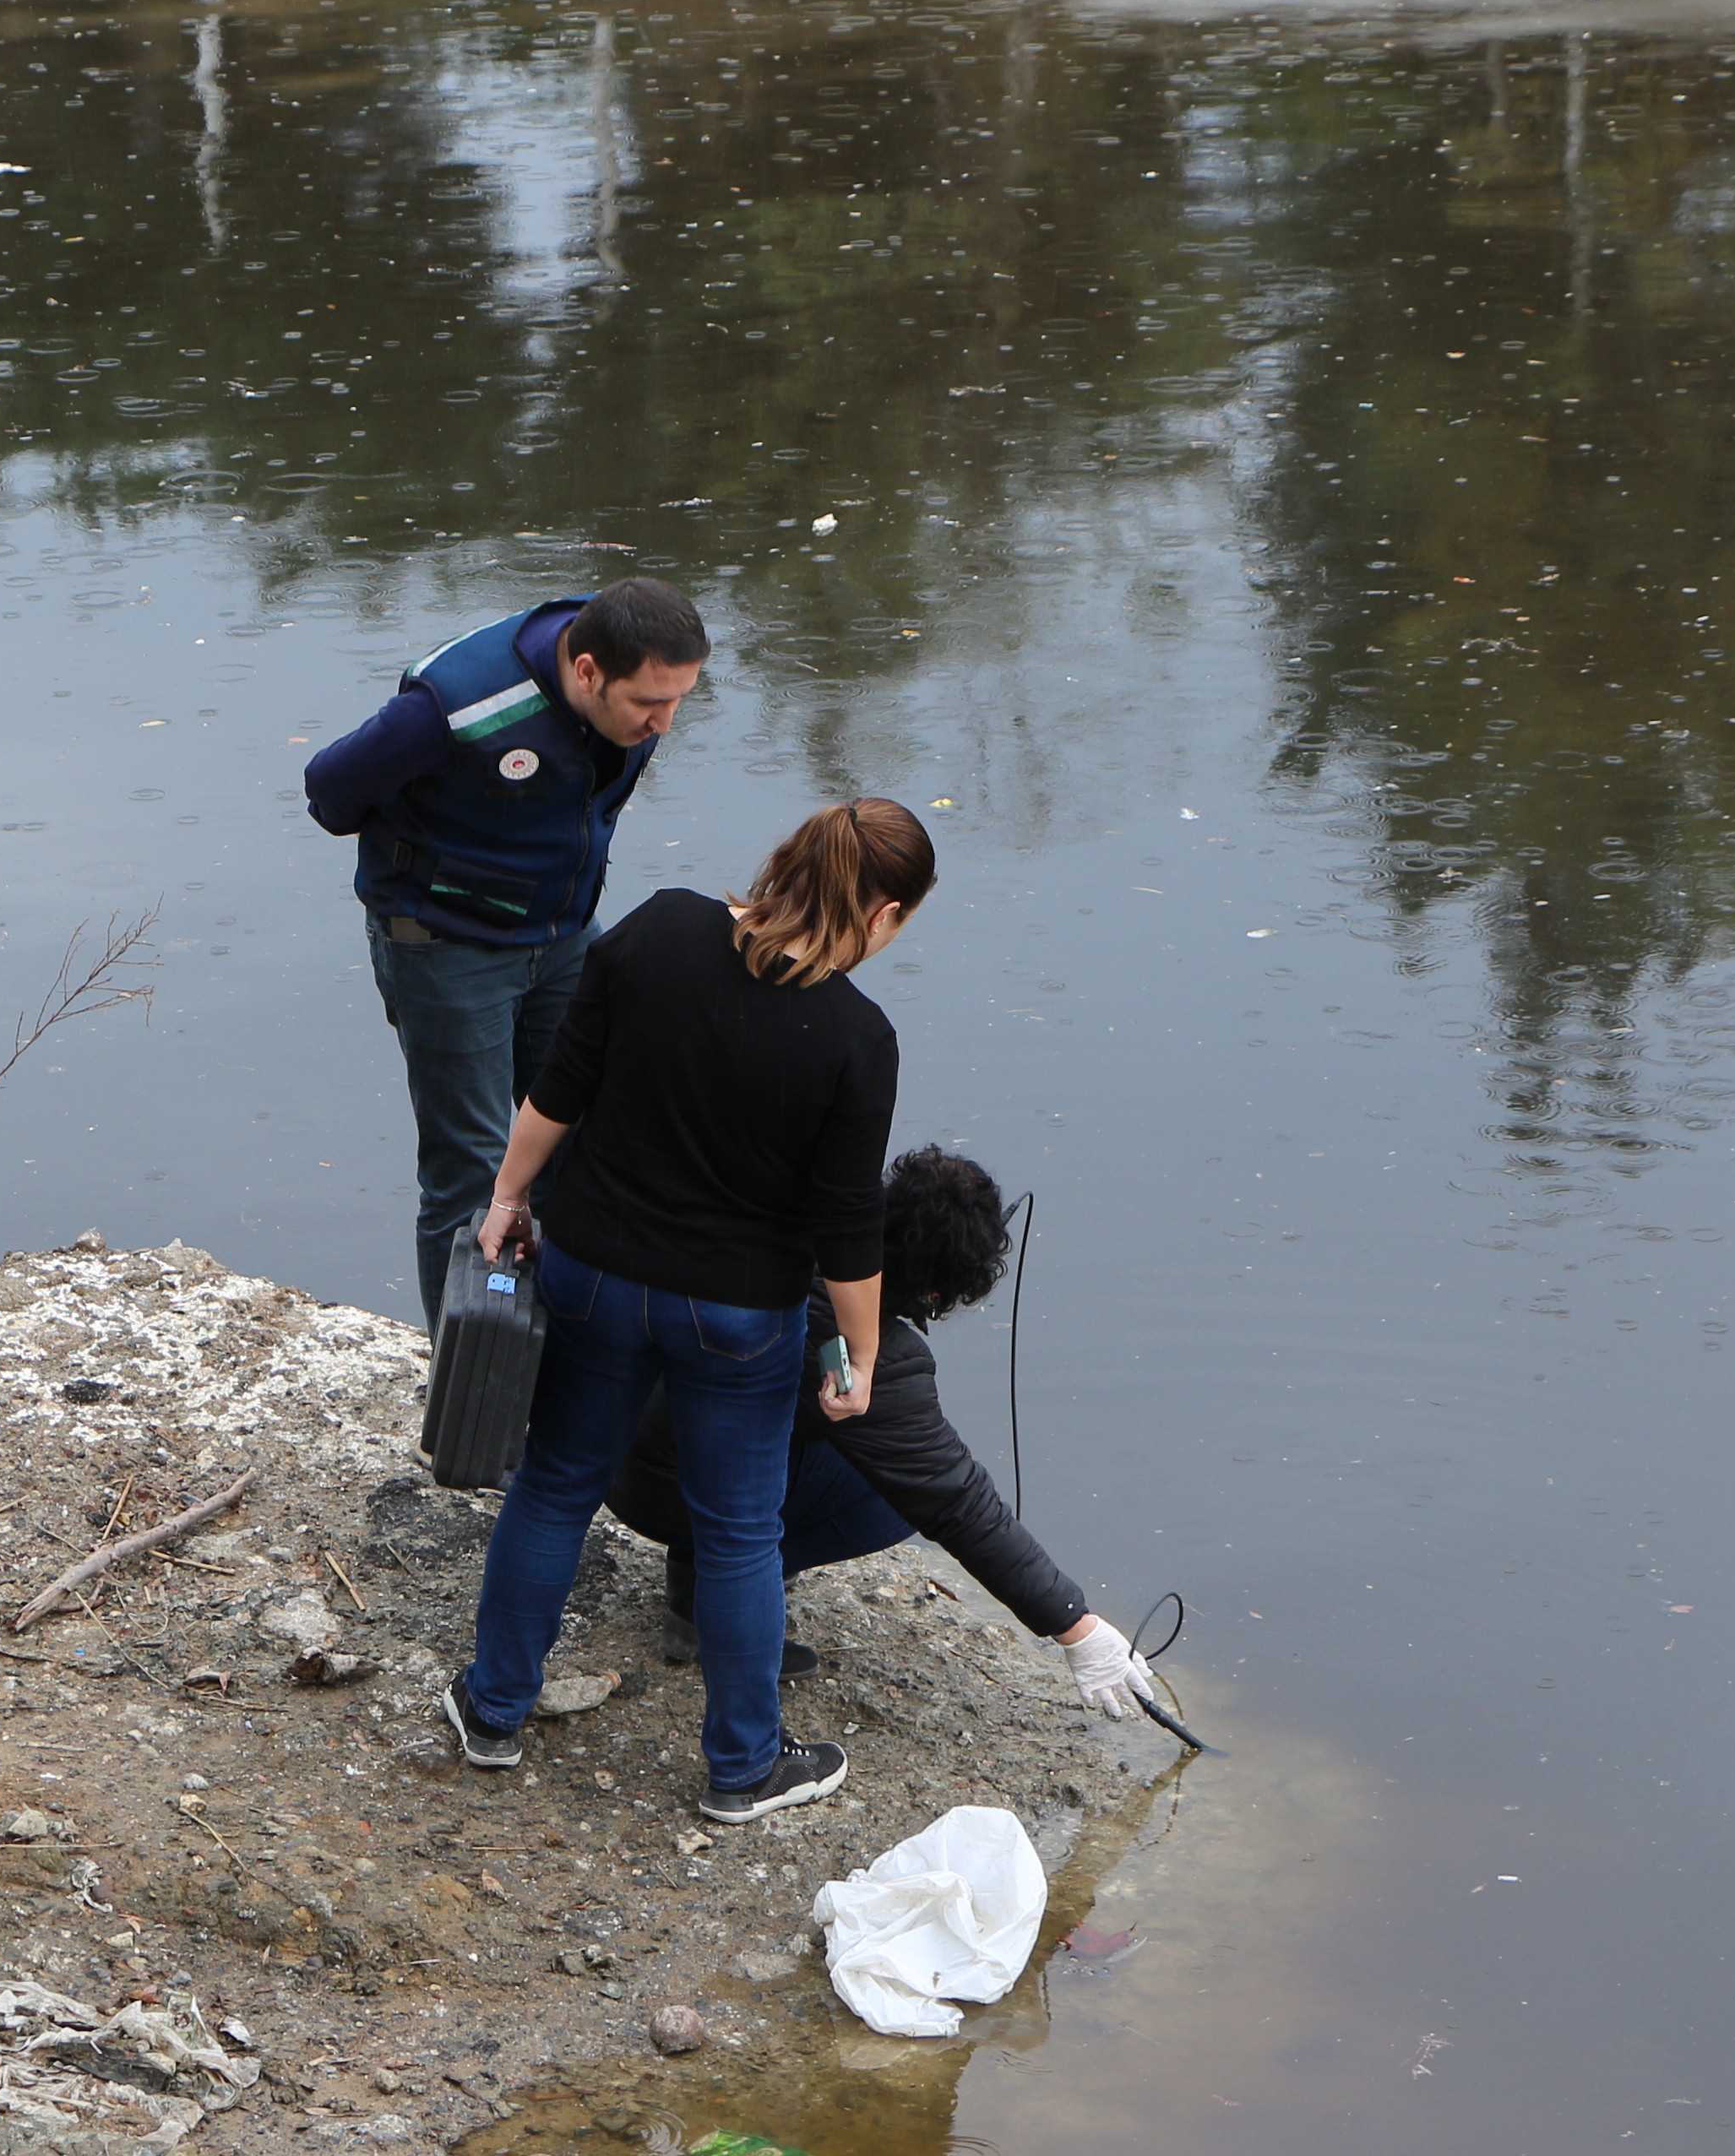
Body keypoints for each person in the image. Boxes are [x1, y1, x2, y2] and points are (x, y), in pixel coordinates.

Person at [445, 798, 936, 1823]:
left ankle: (492, 1714)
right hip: (738, 1316)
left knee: (556, 1486)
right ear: (884, 912)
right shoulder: (857, 1038)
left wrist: (504, 1199)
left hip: (591, 1274)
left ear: (787, 858)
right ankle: (743, 1768)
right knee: (740, 1532)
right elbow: (848, 1224)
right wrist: (863, 1353)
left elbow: (558, 1088)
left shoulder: (662, 928)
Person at [608, 1147, 1169, 1724]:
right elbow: (954, 1499)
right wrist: (1077, 1627)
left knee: (798, 1427)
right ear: (938, 1291)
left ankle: (699, 1582)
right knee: (896, 1493)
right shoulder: (868, 1350)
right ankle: (719, 1599)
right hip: (665, 1487)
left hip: (608, 1438)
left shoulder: (787, 1211)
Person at [304, 578, 710, 1327]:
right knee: (475, 1172)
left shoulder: (628, 681)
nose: (664, 724)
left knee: (582, 1144)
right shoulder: (457, 706)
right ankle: (469, 1385)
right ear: (587, 672)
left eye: (679, 700)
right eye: (649, 705)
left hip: (561, 938)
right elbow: (330, 789)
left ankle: (559, 1356)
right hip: (448, 950)